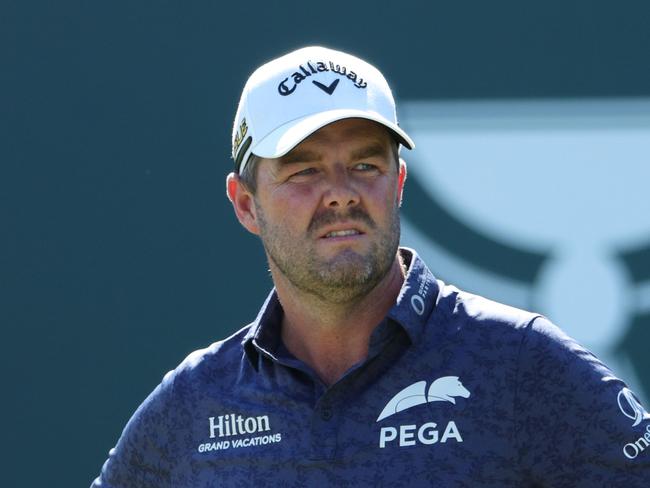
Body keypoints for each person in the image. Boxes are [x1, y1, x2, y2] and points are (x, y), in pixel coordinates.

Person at [91, 46, 650, 487]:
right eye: (304, 171)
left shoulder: (521, 362)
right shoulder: (195, 402)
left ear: (398, 183)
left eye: (364, 164)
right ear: (245, 204)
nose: (340, 193)